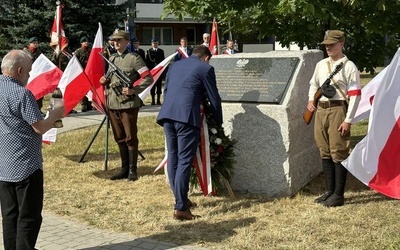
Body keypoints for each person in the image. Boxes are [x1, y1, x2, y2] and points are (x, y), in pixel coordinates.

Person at [0, 49, 65, 249]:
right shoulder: (21, 93)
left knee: (9, 215)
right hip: (26, 165)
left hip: (3, 165)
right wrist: (54, 115)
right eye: (28, 72)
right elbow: (39, 127)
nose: (28, 77)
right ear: (19, 70)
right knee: (28, 216)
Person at [156, 45, 223, 220]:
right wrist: (218, 121)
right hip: (186, 117)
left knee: (174, 156)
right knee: (185, 160)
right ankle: (181, 207)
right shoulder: (206, 68)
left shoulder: (175, 66)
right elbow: (213, 97)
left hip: (167, 115)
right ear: (206, 57)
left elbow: (167, 91)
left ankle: (181, 198)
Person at [307, 30, 361, 207]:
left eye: (332, 44)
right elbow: (313, 84)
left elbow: (355, 95)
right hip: (321, 110)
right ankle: (329, 191)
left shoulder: (349, 66)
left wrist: (348, 120)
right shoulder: (321, 64)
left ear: (341, 44)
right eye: (326, 45)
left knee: (338, 152)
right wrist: (310, 100)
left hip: (338, 110)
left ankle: (338, 195)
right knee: (324, 151)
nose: (328, 47)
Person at [99, 31, 153, 181]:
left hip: (128, 104)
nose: (115, 43)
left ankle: (132, 170)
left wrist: (133, 90)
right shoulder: (112, 58)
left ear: (126, 42)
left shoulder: (134, 58)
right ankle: (123, 169)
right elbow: (109, 78)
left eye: (119, 40)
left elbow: (148, 78)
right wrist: (104, 80)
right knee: (119, 137)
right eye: (114, 40)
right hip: (113, 103)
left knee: (130, 137)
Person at [27, 36, 45, 114]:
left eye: (36, 43)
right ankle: (30, 110)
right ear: (30, 44)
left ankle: (38, 109)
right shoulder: (25, 53)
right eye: (33, 43)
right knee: (29, 94)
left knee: (39, 93)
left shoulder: (39, 53)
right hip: (28, 76)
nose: (35, 44)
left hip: (38, 76)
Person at [74, 36, 93, 112]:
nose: (86, 43)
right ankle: (83, 104)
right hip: (81, 72)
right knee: (83, 89)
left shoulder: (90, 51)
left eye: (87, 41)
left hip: (89, 72)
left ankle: (89, 104)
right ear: (81, 43)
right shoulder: (78, 51)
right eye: (84, 41)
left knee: (89, 88)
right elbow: (75, 62)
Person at [145, 38, 165, 105]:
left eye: (156, 43)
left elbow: (163, 61)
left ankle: (158, 100)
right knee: (152, 86)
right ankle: (153, 100)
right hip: (152, 71)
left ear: (158, 44)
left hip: (159, 71)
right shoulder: (149, 51)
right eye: (153, 43)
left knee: (159, 85)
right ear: (151, 44)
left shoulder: (161, 51)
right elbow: (147, 62)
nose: (155, 44)